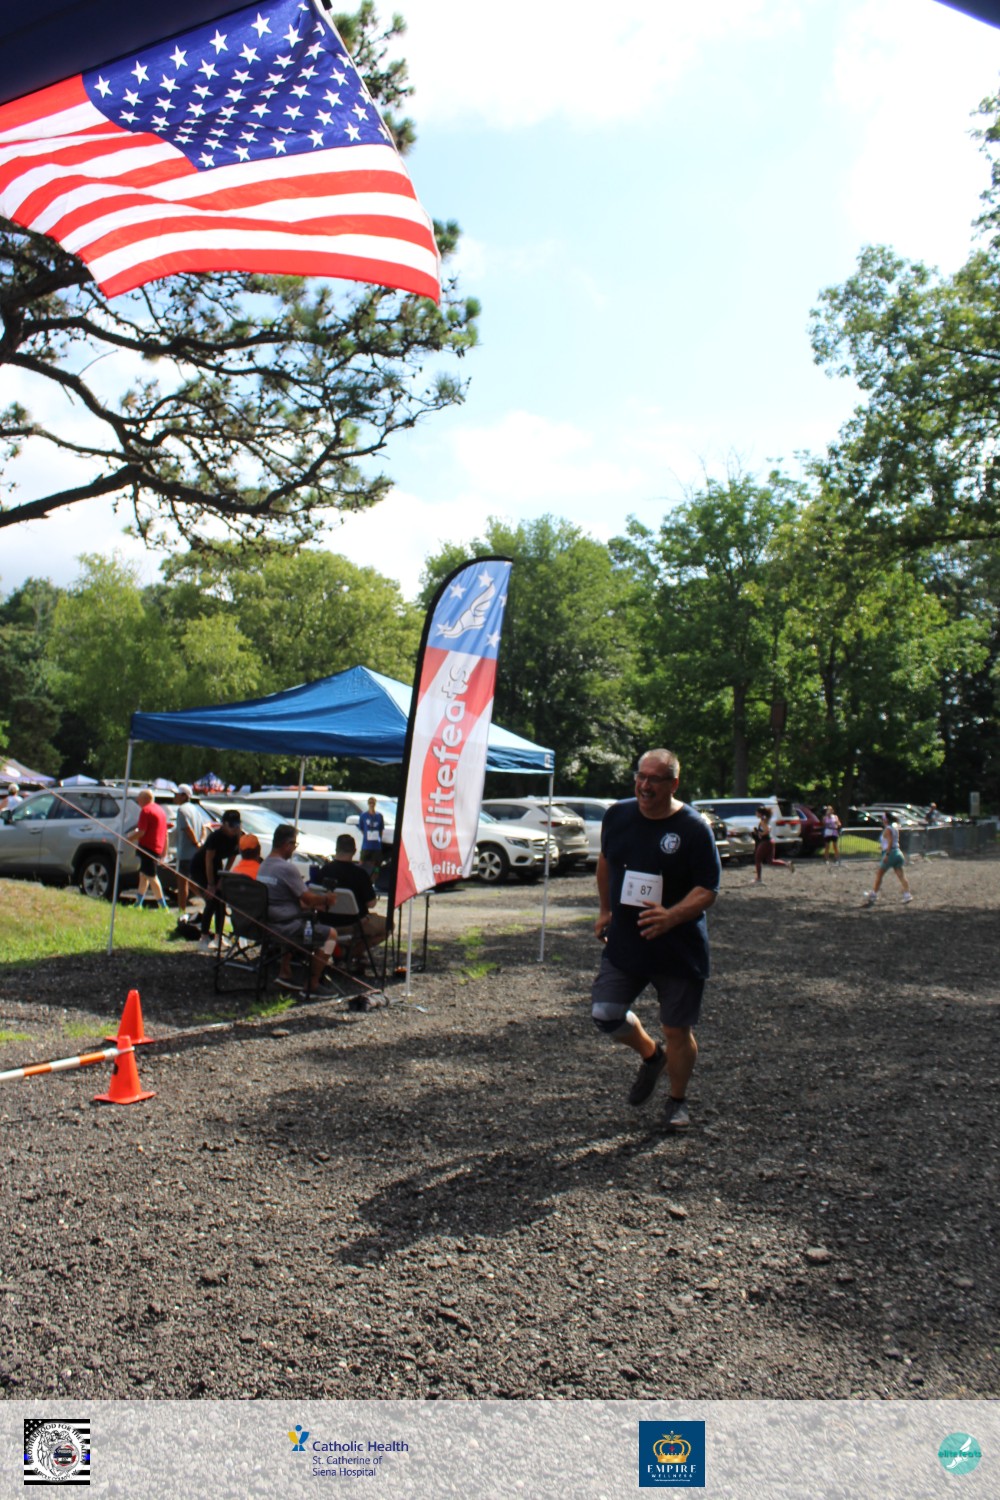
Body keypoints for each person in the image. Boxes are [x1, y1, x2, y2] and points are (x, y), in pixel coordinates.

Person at [591, 748, 721, 1130]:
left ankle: (677, 1102)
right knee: (605, 1013)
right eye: (641, 776)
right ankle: (652, 1056)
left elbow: (708, 889)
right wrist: (604, 910)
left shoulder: (693, 828)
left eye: (655, 779)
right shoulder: (618, 815)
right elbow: (605, 861)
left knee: (677, 1030)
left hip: (678, 948)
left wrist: (671, 916)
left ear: (674, 784)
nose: (645, 785)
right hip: (627, 940)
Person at [257, 824, 343, 991]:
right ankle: (313, 981)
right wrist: (326, 899)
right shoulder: (286, 868)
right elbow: (307, 898)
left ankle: (285, 970)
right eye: (294, 845)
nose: (294, 849)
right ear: (287, 844)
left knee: (301, 919)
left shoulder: (264, 865)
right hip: (286, 925)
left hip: (268, 921)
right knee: (331, 936)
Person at [318, 833, 388, 973]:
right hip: (355, 924)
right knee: (388, 925)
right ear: (354, 851)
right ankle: (350, 953)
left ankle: (342, 952)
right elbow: (371, 903)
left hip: (326, 922)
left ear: (336, 849)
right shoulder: (360, 874)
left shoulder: (323, 871)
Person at [192, 809, 243, 950]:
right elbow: (208, 860)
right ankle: (203, 938)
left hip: (217, 866)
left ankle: (218, 937)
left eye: (237, 825)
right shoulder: (215, 837)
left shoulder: (238, 837)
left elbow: (231, 858)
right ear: (223, 824)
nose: (234, 828)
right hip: (200, 866)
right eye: (231, 825)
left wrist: (222, 879)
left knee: (221, 901)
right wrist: (210, 884)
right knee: (212, 900)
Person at [127, 788, 169, 909]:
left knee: (152, 876)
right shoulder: (160, 810)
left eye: (139, 798)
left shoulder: (146, 811)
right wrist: (164, 851)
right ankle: (138, 904)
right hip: (157, 847)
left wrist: (129, 838)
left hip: (148, 848)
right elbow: (165, 833)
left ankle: (163, 906)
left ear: (145, 799)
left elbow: (142, 832)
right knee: (143, 875)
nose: (137, 800)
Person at [173, 784, 210, 918]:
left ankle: (181, 912)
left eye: (177, 795)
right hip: (195, 854)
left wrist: (195, 842)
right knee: (192, 881)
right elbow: (204, 827)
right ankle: (207, 899)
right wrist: (201, 842)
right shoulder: (195, 809)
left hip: (185, 853)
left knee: (182, 882)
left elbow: (187, 828)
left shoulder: (182, 810)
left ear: (184, 796)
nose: (174, 797)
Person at [864, 815, 913, 906]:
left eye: (883, 819)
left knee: (879, 875)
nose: (882, 820)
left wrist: (887, 854)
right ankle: (907, 894)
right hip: (898, 852)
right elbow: (891, 842)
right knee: (901, 876)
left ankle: (873, 894)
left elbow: (890, 842)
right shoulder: (894, 828)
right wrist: (882, 847)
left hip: (891, 854)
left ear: (886, 820)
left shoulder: (888, 829)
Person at [752, 806, 793, 884]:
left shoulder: (763, 821)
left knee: (758, 859)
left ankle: (758, 879)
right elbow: (769, 828)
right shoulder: (765, 820)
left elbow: (767, 830)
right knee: (770, 861)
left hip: (765, 842)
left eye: (757, 812)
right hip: (770, 841)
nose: (755, 814)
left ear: (760, 813)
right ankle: (787, 864)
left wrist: (759, 833)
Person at [357, 796, 385, 877]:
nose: (371, 804)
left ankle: (374, 878)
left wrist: (379, 839)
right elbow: (361, 828)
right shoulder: (363, 815)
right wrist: (367, 835)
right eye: (370, 802)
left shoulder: (379, 816)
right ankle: (360, 877)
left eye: (373, 802)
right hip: (366, 845)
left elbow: (381, 829)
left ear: (375, 804)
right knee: (362, 862)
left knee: (377, 865)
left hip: (376, 846)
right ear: (368, 803)